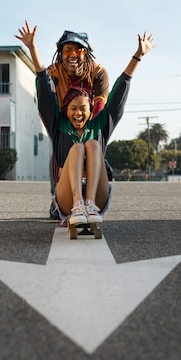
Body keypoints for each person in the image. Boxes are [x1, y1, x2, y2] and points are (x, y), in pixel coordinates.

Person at [15, 21, 155, 233]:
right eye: (73, 108)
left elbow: (119, 90)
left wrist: (138, 56)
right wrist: (32, 48)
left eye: (83, 109)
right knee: (77, 148)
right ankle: (75, 206)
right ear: (65, 109)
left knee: (90, 145)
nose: (78, 113)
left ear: (91, 109)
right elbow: (44, 88)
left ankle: (88, 204)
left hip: (97, 196)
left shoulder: (100, 123)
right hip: (67, 196)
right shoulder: (58, 124)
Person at [45, 29, 109, 219]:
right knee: (59, 154)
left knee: (92, 149)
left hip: (89, 120)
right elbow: (48, 104)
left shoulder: (98, 72)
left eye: (79, 50)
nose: (73, 54)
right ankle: (57, 199)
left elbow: (100, 104)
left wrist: (87, 132)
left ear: (86, 52)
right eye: (67, 50)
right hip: (63, 120)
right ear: (60, 53)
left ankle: (90, 199)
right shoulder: (53, 72)